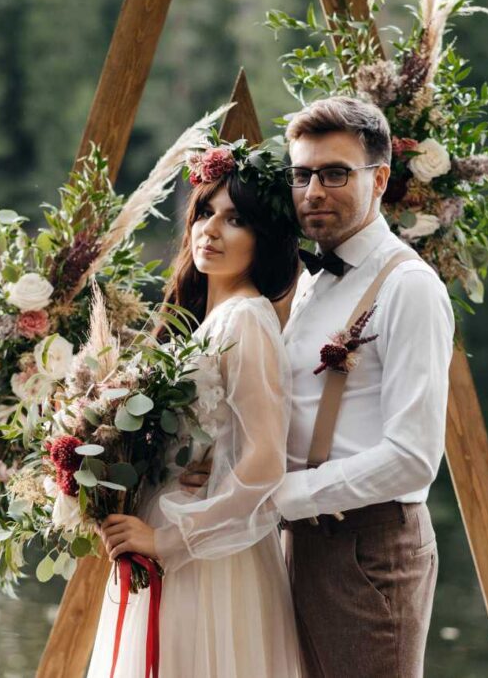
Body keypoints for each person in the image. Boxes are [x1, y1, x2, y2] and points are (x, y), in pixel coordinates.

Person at [183, 96, 455, 677]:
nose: (313, 191)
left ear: (379, 179)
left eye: (335, 174)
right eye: (302, 174)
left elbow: (413, 458)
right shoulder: (312, 282)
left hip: (369, 548)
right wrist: (224, 470)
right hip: (297, 541)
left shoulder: (409, 287)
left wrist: (272, 497)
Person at [85, 142, 304, 678]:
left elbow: (264, 460)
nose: (210, 229)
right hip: (169, 530)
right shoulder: (207, 319)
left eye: (235, 220)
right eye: (205, 211)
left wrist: (169, 539)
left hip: (209, 553)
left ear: (263, 238)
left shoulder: (247, 321)